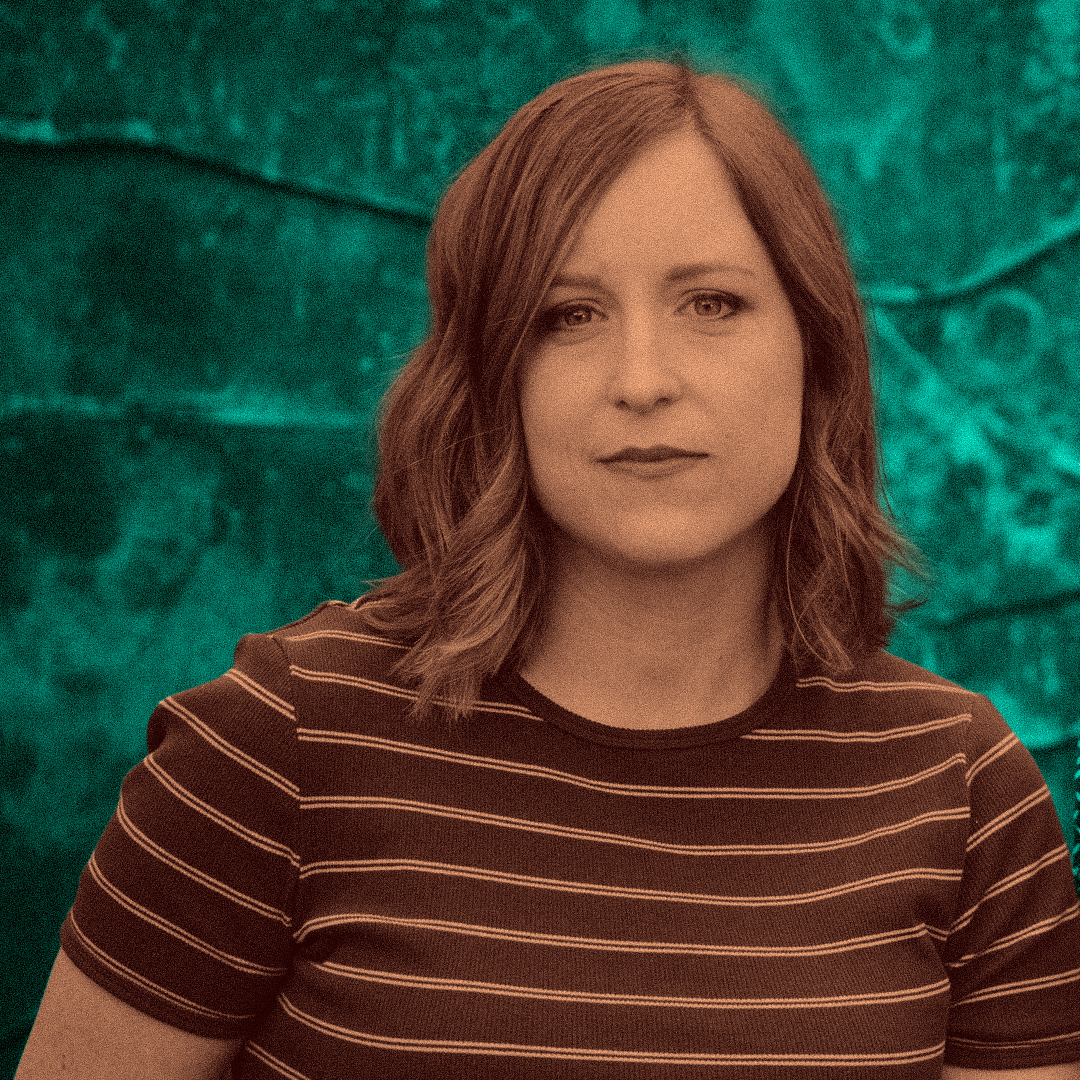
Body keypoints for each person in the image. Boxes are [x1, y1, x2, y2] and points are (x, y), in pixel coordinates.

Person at [15, 57, 1080, 1080]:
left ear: (818, 348)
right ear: (490, 375)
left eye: (712, 303)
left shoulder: (962, 790)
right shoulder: (274, 748)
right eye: (568, 316)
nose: (643, 379)